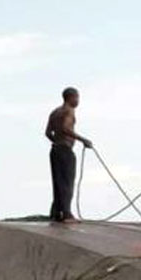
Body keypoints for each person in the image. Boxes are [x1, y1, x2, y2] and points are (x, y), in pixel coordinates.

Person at [45, 87, 93, 223]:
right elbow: (66, 128)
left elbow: (48, 133)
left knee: (58, 182)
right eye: (77, 97)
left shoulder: (54, 112)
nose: (78, 101)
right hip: (65, 150)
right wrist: (83, 140)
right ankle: (66, 214)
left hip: (55, 150)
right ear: (71, 97)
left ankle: (56, 212)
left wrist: (57, 142)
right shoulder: (69, 111)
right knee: (67, 182)